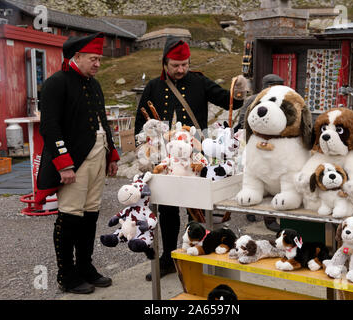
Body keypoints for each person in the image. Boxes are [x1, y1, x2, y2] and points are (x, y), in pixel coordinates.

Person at [135, 36, 247, 281]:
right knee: (167, 207)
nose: (181, 69)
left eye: (184, 64)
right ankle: (167, 257)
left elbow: (226, 99)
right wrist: (144, 152)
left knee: (195, 206)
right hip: (164, 156)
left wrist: (238, 92)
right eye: (176, 65)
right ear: (165, 63)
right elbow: (141, 124)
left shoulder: (198, 80)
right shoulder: (153, 87)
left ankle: (193, 248)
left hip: (195, 153)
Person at [35, 32, 120, 294]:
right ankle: (67, 275)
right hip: (74, 161)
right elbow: (50, 127)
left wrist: (112, 154)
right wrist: (63, 164)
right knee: (70, 217)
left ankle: (85, 267)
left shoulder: (93, 84)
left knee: (90, 215)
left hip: (97, 157)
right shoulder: (56, 83)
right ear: (78, 56)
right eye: (93, 59)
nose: (98, 64)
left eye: (99, 59)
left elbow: (101, 123)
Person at [237, 74, 284, 232]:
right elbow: (242, 119)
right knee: (257, 175)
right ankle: (261, 214)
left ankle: (266, 213)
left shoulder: (282, 99)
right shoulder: (255, 99)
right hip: (256, 142)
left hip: (277, 144)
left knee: (271, 176)